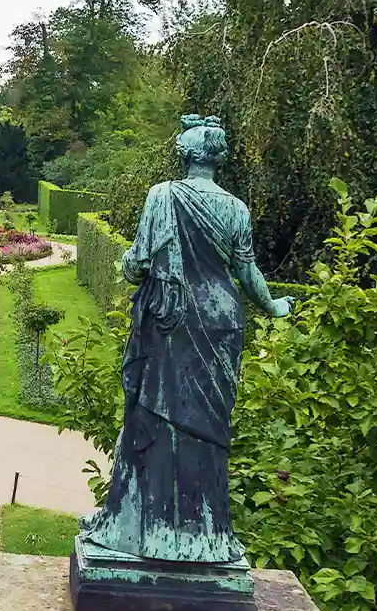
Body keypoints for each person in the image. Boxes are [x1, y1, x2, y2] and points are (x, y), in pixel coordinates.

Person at [78, 114, 293, 563]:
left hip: (172, 324)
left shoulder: (162, 195)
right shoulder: (236, 208)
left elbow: (137, 264)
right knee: (208, 431)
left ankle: (142, 530)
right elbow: (247, 272)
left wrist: (133, 267)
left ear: (186, 153)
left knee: (155, 423)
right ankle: (206, 537)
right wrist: (273, 306)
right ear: (219, 159)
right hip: (220, 322)